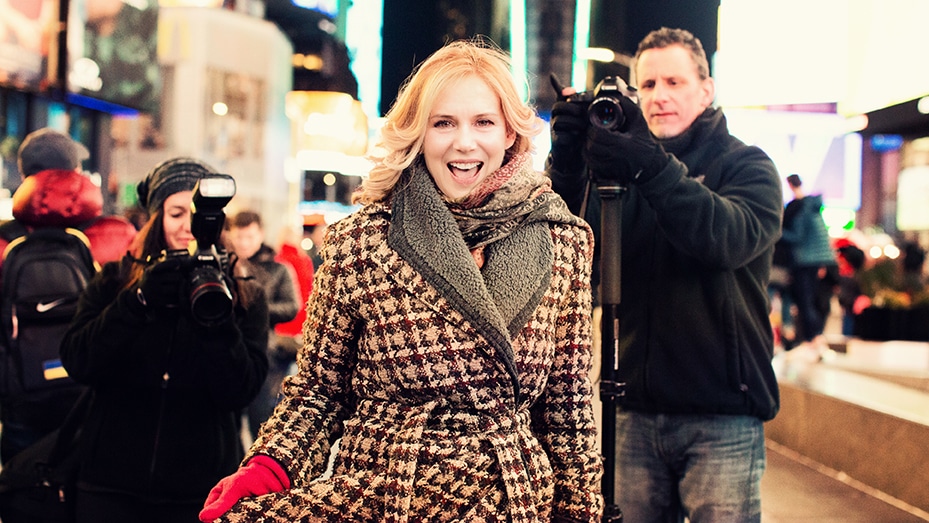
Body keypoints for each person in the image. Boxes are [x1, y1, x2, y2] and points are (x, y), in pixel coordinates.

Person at [199, 38, 604, 523]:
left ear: (510, 134)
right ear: (418, 133)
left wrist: (579, 510)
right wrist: (267, 470)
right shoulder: (362, 240)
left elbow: (569, 410)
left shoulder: (563, 241)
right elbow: (318, 392)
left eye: (483, 122)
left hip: (512, 500)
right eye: (443, 123)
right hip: (388, 494)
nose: (464, 142)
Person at [547, 27, 783, 522]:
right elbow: (571, 258)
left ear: (706, 89)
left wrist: (651, 166)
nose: (659, 97)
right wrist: (567, 167)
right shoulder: (621, 168)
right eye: (648, 85)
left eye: (674, 82)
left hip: (723, 416)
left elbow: (724, 238)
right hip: (632, 409)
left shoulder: (748, 166)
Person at [59, 157, 269, 522]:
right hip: (109, 484)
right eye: (176, 213)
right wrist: (137, 301)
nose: (189, 227)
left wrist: (216, 319)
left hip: (198, 491)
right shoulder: (115, 279)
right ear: (156, 219)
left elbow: (242, 390)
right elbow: (78, 360)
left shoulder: (244, 291)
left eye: (198, 213)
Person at [0, 128, 136, 464]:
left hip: (20, 393)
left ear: (25, 175)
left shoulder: (5, 242)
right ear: (75, 173)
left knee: (23, 490)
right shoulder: (114, 235)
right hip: (94, 393)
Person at [228, 210, 300, 440]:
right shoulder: (223, 266)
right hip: (227, 351)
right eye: (239, 237)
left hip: (263, 353)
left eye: (249, 237)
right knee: (228, 426)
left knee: (260, 423)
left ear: (260, 235)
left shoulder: (278, 270)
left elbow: (291, 306)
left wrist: (256, 310)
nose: (244, 243)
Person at [780, 173, 837, 356]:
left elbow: (797, 236)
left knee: (804, 302)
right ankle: (814, 339)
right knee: (809, 301)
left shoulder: (800, 208)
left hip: (804, 260)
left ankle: (813, 339)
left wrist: (777, 232)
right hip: (817, 260)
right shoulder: (813, 206)